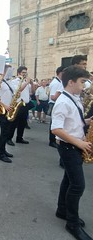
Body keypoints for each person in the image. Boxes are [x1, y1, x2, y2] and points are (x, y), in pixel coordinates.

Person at [51, 66, 93, 240]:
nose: (85, 86)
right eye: (83, 82)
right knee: (78, 185)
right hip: (69, 147)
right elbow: (56, 129)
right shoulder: (63, 102)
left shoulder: (74, 98)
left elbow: (73, 121)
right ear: (71, 82)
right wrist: (80, 143)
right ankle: (72, 223)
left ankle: (62, 210)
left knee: (68, 180)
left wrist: (87, 121)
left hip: (74, 145)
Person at [0, 65, 14, 163]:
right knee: (4, 132)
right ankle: (1, 153)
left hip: (9, 109)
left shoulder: (8, 82)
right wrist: (4, 105)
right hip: (1, 110)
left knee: (7, 132)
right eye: (8, 70)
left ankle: (4, 150)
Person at [7, 66, 34, 145]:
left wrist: (32, 84)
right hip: (18, 105)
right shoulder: (15, 81)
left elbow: (32, 92)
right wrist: (26, 82)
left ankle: (19, 138)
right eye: (23, 73)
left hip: (25, 104)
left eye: (26, 73)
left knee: (22, 123)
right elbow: (19, 90)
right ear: (19, 73)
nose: (25, 74)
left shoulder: (26, 82)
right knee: (14, 123)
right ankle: (9, 138)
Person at [48, 66, 64, 148]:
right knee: (53, 123)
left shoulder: (59, 82)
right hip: (54, 104)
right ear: (60, 73)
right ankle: (52, 141)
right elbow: (53, 97)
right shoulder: (56, 83)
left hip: (56, 103)